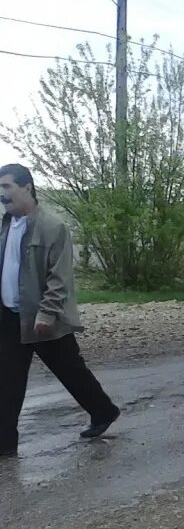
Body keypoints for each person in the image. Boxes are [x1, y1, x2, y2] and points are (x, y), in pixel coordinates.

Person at [0, 163, 119, 457]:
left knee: (71, 371)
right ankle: (4, 446)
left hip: (43, 319)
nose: (1, 194)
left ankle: (103, 411)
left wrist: (46, 312)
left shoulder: (53, 227)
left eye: (6, 187)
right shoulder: (4, 225)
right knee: (7, 381)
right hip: (9, 318)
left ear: (26, 187)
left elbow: (59, 276)